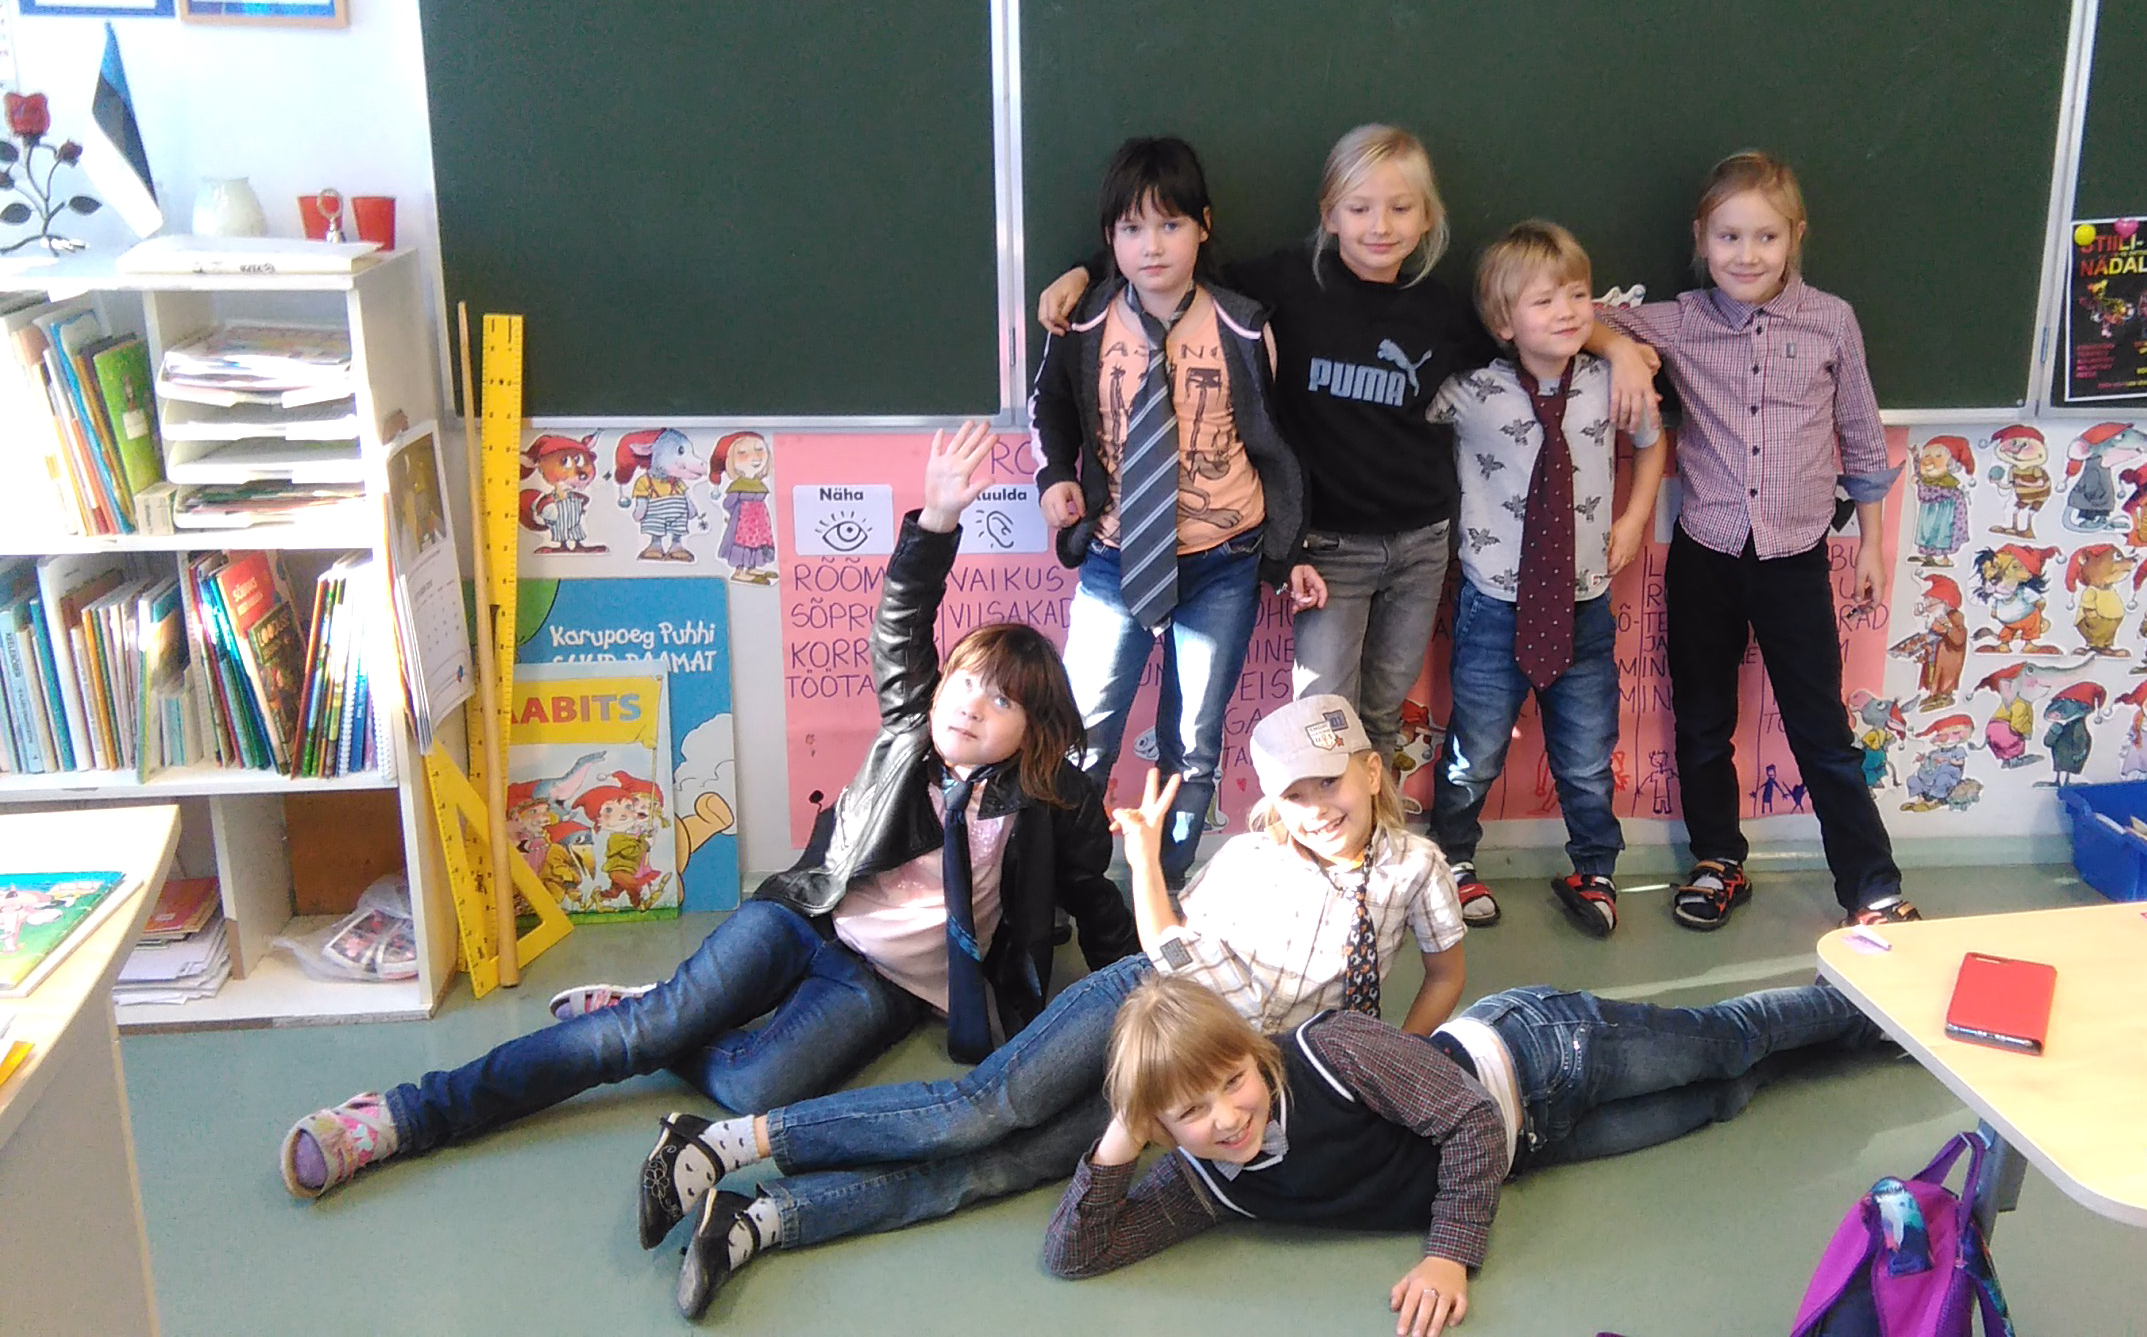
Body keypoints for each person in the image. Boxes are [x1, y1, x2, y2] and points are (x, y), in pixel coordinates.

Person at [279, 423, 1139, 1199]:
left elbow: (1096, 905)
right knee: (633, 1039)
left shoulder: (1054, 802)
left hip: (891, 983)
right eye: (965, 681)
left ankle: (658, 1017)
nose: (971, 705)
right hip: (811, 915)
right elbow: (901, 621)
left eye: (1002, 700)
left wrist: (1146, 1003)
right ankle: (404, 1115)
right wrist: (938, 521)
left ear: (1035, 728)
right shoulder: (912, 727)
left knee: (754, 1087)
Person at [638, 693, 1466, 1319]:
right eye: (1294, 795)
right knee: (979, 1111)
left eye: (1331, 783)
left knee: (996, 1171)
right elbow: (1168, 945)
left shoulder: (1417, 869)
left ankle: (762, 1219)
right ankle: (723, 1142)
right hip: (1144, 1004)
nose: (1317, 809)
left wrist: (1392, 1056)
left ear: (1372, 772)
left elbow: (1443, 973)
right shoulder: (1254, 859)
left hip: (1210, 1076)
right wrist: (1145, 860)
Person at [1038, 126, 1656, 926]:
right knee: (1318, 718)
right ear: (1329, 214)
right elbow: (1165, 258)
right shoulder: (1283, 286)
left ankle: (1369, 872)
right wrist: (1082, 271)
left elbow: (1536, 319)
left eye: (1401, 208)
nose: (1380, 226)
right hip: (1326, 550)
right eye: (1360, 208)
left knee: (1380, 716)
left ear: (1428, 218)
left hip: (1421, 546)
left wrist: (1617, 346)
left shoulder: (1445, 311)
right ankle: (1295, 873)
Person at [1040, 974, 1884, 1335]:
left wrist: (1449, 1254)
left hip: (1542, 1050)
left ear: (1255, 1057)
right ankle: (1849, 1040)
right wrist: (1117, 1143)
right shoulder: (1203, 1185)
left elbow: (1471, 1121)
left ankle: (1878, 1009)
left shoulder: (1330, 1049)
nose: (1228, 1118)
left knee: (1728, 1044)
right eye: (1190, 1112)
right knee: (1726, 1099)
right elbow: (1079, 1255)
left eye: (1234, 1082)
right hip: (1536, 1146)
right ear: (1158, 1126)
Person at [1600, 150, 1916, 931]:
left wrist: (1872, 543)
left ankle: (1871, 889)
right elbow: (1580, 319)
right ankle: (1717, 861)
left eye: (1766, 237)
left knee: (1822, 732)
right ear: (1701, 239)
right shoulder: (1682, 318)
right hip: (1705, 555)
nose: (1747, 255)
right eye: (1729, 237)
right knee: (1703, 723)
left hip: (1795, 560)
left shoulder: (1831, 321)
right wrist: (1618, 350)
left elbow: (1861, 437)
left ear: (1796, 236)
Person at [1031, 136, 1306, 888]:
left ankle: (1169, 885)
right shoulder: (1085, 321)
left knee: (1192, 739)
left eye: (1171, 225)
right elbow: (1050, 403)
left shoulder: (1244, 325)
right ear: (1109, 237)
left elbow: (1281, 433)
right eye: (1131, 229)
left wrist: (1290, 543)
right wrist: (1055, 475)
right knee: (1084, 729)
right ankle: (1073, 883)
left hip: (1223, 560)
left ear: (1204, 227)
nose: (1151, 246)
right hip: (1115, 555)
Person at [1424, 222, 1664, 936]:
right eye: (1543, 301)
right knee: (1475, 750)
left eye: (1578, 295)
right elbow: (1396, 424)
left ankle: (1595, 870)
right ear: (1503, 322)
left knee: (1587, 756)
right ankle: (1453, 861)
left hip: (1586, 604)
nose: (1566, 311)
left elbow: (1651, 444)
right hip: (1493, 608)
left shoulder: (1612, 381)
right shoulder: (1469, 392)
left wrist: (1635, 518)